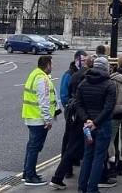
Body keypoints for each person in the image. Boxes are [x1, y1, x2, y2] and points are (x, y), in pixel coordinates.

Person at [75, 56, 117, 192]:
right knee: (99, 157)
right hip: (102, 125)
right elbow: (109, 107)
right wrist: (96, 122)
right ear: (106, 68)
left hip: (87, 126)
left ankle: (82, 187)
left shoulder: (83, 83)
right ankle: (92, 189)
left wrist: (87, 120)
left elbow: (78, 104)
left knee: (87, 155)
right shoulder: (110, 84)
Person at [50, 51, 88, 190]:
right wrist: (69, 108)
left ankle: (64, 172)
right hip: (75, 115)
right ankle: (64, 172)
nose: (83, 62)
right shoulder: (70, 74)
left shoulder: (81, 75)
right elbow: (64, 95)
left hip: (79, 114)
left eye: (85, 60)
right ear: (76, 60)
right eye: (82, 60)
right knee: (70, 144)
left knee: (76, 145)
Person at [21, 55, 57, 186]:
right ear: (47, 65)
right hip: (38, 119)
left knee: (31, 147)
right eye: (51, 64)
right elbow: (44, 101)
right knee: (35, 147)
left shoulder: (34, 74)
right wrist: (48, 120)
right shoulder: (42, 78)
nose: (52, 67)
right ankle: (30, 176)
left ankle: (27, 173)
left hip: (31, 116)